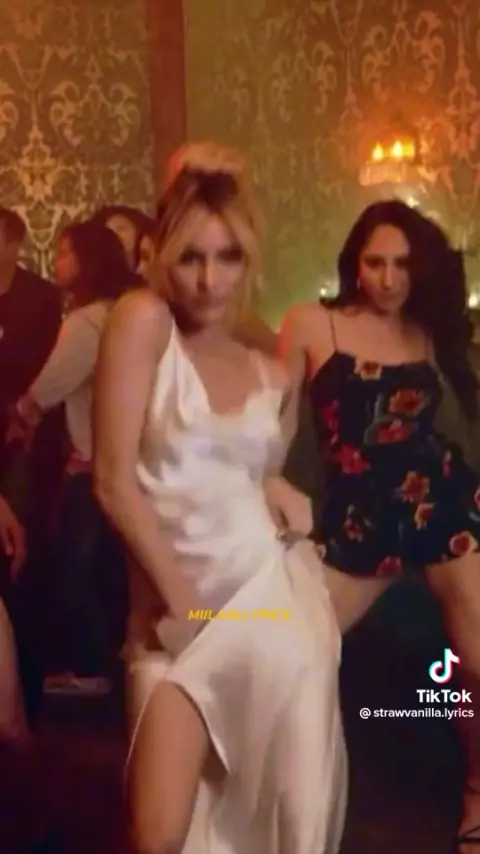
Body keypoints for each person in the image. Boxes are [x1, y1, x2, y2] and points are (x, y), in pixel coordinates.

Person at [93, 142, 346, 854]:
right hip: (182, 612)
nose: (209, 279)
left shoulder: (260, 364)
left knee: (285, 825)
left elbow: (244, 466)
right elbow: (113, 479)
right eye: (191, 258)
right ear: (160, 255)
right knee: (157, 832)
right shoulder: (143, 320)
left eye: (228, 256)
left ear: (249, 256)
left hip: (267, 603)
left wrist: (274, 483)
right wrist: (177, 603)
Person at [278, 199, 480, 851]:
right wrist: (271, 489)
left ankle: (477, 790)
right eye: (375, 262)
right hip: (359, 515)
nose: (389, 278)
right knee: (292, 648)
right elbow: (272, 429)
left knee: (478, 659)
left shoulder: (426, 331)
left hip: (438, 501)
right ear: (354, 264)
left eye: (402, 264)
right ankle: (286, 805)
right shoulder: (312, 323)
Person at [14, 220, 134, 696]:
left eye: (65, 253)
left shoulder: (86, 323)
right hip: (130, 461)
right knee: (112, 569)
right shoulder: (127, 312)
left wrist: (21, 415)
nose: (57, 262)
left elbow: (49, 386)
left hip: (90, 463)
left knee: (72, 567)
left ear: (87, 262)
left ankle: (88, 667)